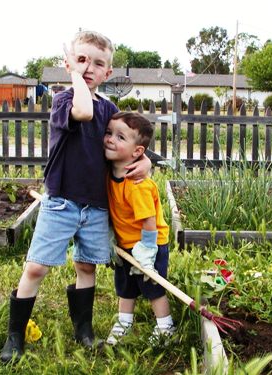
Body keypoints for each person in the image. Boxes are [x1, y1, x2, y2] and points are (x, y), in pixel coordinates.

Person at [0, 30, 151, 363]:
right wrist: (74, 75)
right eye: (81, 60)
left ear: (107, 73)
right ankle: (15, 334)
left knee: (86, 265)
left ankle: (83, 329)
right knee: (37, 268)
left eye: (98, 64)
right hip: (62, 201)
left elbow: (127, 141)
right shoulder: (64, 100)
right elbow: (82, 111)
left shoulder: (109, 108)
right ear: (69, 64)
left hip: (96, 205)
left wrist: (146, 160)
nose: (88, 68)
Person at [104, 111, 175, 346]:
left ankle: (166, 326)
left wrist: (147, 253)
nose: (111, 139)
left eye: (120, 137)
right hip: (125, 244)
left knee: (153, 288)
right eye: (109, 133)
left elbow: (148, 222)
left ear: (137, 152)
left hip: (149, 244)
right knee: (125, 287)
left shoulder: (137, 185)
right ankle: (124, 322)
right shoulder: (108, 172)